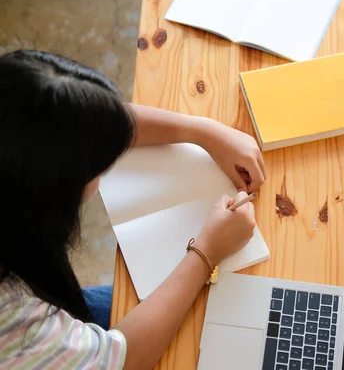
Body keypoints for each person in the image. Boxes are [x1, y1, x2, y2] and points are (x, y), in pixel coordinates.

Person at [0, 50, 266, 369]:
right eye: (97, 168)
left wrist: (203, 131)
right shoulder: (17, 323)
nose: (104, 172)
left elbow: (84, 122)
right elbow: (121, 360)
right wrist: (207, 252)